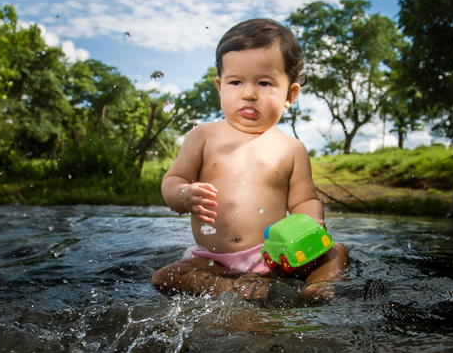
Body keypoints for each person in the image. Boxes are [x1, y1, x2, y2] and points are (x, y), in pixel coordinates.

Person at [150, 18, 349, 302]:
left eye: (265, 83)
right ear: (220, 87)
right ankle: (229, 288)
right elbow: (173, 181)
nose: (249, 93)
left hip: (274, 257)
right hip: (213, 260)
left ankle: (314, 289)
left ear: (290, 94)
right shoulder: (203, 136)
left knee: (336, 252)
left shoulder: (291, 148)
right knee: (167, 277)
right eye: (236, 81)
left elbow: (304, 200)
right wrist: (183, 195)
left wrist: (311, 220)